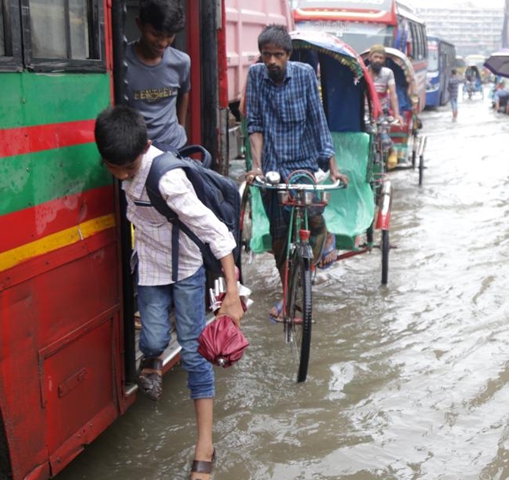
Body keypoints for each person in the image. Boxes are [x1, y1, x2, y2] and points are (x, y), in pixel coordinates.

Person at [94, 105, 244, 480]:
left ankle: (205, 444)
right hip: (150, 267)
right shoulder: (122, 161)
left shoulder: (167, 180)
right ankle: (153, 359)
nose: (121, 177)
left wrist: (231, 293)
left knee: (194, 355)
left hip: (186, 269)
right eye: (116, 170)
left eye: (126, 171)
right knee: (155, 338)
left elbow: (217, 234)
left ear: (142, 151)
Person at [244, 25, 349, 320]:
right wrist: (257, 166)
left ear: (288, 55)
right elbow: (254, 124)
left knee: (313, 216)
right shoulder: (255, 75)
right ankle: (289, 297)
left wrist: (333, 166)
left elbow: (317, 120)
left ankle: (324, 234)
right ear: (261, 55)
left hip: (303, 161)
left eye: (278, 55)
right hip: (273, 166)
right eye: (267, 55)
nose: (273, 61)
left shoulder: (303, 74)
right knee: (279, 236)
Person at [126, 0, 190, 151]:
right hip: (137, 149)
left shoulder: (181, 62)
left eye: (169, 36)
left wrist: (181, 128)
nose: (163, 43)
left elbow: (184, 93)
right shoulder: (121, 62)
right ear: (139, 24)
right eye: (156, 34)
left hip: (174, 146)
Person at [366, 44, 405, 165]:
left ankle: (391, 150)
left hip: (382, 111)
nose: (378, 60)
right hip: (365, 111)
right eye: (376, 57)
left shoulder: (388, 73)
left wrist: (397, 114)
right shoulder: (363, 72)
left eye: (381, 58)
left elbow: (393, 94)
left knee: (382, 130)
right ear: (370, 57)